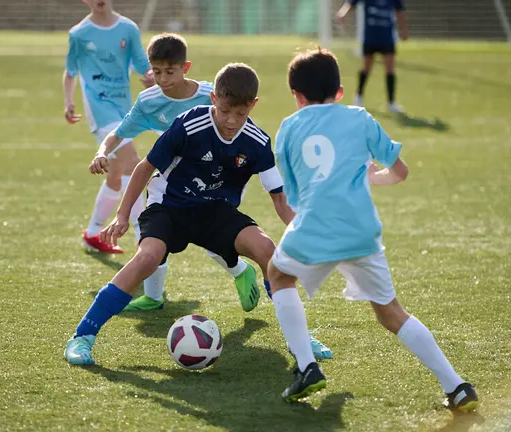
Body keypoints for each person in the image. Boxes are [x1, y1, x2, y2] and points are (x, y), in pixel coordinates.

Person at [87, 34, 333, 360]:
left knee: (267, 251)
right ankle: (87, 333)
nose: (231, 120)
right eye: (225, 110)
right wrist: (120, 211)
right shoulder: (180, 119)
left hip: (215, 207)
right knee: (148, 257)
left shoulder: (251, 135)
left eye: (240, 113)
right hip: (170, 202)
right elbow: (141, 162)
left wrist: (300, 231)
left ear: (252, 106)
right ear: (214, 99)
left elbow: (278, 195)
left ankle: (298, 338)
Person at [267, 48, 479, 413]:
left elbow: (295, 197)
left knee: (278, 275)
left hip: (315, 226)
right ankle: (457, 386)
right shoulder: (360, 117)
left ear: (297, 96)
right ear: (339, 91)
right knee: (391, 312)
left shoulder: (288, 128)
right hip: (362, 231)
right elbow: (400, 172)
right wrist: (372, 178)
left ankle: (306, 367)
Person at [63, 0, 155, 254]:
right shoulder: (79, 34)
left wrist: (151, 76)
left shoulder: (128, 29)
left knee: (116, 173)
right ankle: (142, 234)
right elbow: (70, 71)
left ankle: (93, 233)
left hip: (123, 106)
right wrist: (68, 101)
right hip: (99, 108)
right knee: (133, 162)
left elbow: (141, 64)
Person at [336, 0, 408, 113]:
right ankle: (358, 97)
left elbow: (399, 11)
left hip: (387, 37)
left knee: (390, 69)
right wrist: (343, 13)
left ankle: (391, 103)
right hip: (370, 36)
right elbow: (352, 3)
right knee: (366, 67)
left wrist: (403, 29)